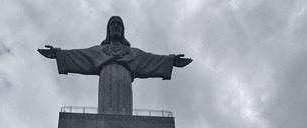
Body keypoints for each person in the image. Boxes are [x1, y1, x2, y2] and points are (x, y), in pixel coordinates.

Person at [38, 16, 192, 114]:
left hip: (125, 80)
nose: (116, 26)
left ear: (123, 30)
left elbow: (151, 59)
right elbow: (79, 55)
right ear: (108, 29)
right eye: (113, 24)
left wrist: (171, 61)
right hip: (106, 79)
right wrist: (59, 54)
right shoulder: (98, 51)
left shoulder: (133, 53)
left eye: (119, 24)